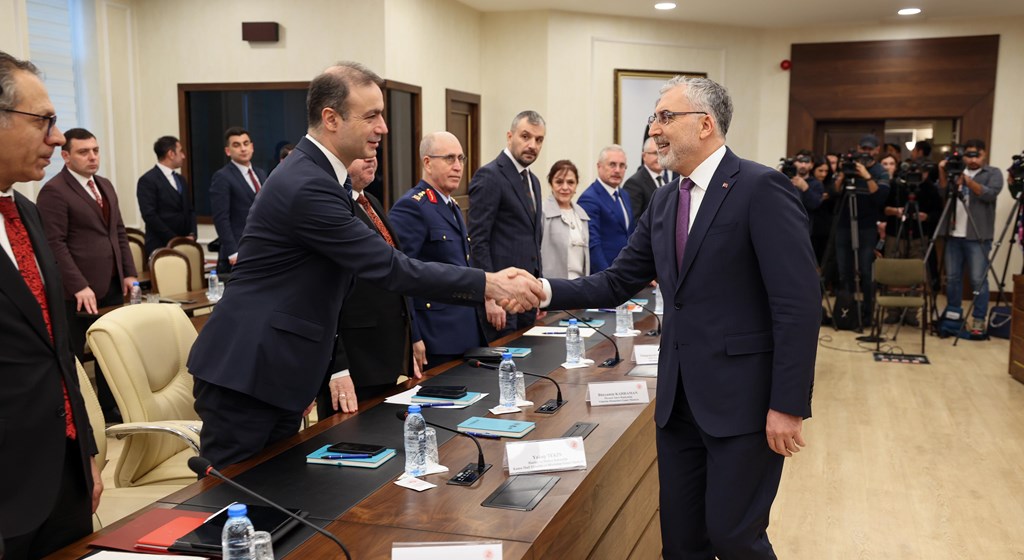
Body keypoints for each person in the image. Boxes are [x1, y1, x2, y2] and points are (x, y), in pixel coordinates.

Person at [186, 62, 541, 469]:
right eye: (371, 115)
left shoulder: (324, 178)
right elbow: (392, 268)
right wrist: (489, 284)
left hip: (276, 372)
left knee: (275, 503)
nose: (383, 128)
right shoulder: (308, 184)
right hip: (247, 372)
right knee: (232, 513)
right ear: (331, 119)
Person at [540, 76, 819, 559]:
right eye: (654, 118)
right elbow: (616, 280)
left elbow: (797, 305)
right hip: (678, 404)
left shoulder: (760, 188)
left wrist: (788, 404)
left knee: (737, 539)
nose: (654, 129)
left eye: (666, 117)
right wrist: (541, 288)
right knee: (681, 541)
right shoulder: (667, 199)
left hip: (744, 405)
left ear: (705, 124)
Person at [0, 50, 101, 560]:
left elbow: (57, 351)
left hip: (62, 477)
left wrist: (84, 451)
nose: (57, 138)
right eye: (44, 121)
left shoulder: (26, 212)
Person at [37, 127, 138, 422]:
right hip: (76, 291)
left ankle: (109, 408)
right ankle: (79, 413)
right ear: (65, 156)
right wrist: (79, 284)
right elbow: (54, 244)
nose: (92, 157)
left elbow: (118, 232)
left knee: (111, 347)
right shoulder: (54, 191)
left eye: (95, 150)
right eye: (84, 152)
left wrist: (129, 274)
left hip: (111, 282)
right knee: (75, 355)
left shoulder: (104, 184)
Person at [317, 156, 423, 418]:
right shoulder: (334, 208)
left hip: (384, 357)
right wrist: (337, 366)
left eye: (375, 154)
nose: (372, 159)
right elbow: (323, 295)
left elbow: (397, 272)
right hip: (354, 361)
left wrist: (411, 339)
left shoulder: (371, 202)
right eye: (362, 155)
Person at [389, 131, 487, 367]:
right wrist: (414, 335)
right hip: (436, 335)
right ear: (427, 163)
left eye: (461, 159)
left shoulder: (450, 205)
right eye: (449, 158)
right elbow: (400, 276)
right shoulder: (412, 207)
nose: (458, 166)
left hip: (465, 329)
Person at [468, 110, 545, 339]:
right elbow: (477, 242)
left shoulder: (534, 181)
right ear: (509, 136)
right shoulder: (489, 175)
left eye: (539, 139)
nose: (532, 145)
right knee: (505, 370)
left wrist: (537, 292)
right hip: (500, 300)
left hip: (526, 297)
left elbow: (532, 241)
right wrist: (489, 297)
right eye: (525, 136)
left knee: (531, 367)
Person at [936, 139, 1003, 335]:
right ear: (963, 156)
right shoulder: (953, 171)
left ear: (984, 154)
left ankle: (979, 319)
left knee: (977, 279)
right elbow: (941, 191)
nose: (972, 159)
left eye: (977, 155)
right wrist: (943, 170)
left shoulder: (993, 173)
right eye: (969, 155)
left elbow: (989, 194)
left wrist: (967, 181)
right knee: (953, 278)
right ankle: (953, 317)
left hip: (978, 235)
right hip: (953, 234)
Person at [832, 134, 890, 325]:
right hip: (843, 225)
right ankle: (846, 312)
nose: (865, 152)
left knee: (866, 271)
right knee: (844, 271)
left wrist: (866, 175)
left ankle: (867, 315)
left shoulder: (880, 171)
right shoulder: (848, 165)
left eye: (869, 149)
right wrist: (843, 173)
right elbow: (834, 192)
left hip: (866, 227)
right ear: (858, 147)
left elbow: (880, 197)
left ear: (876, 150)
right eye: (863, 148)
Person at [880, 152, 940, 327]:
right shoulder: (897, 185)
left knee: (916, 273)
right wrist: (895, 211)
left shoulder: (929, 188)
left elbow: (938, 213)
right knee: (893, 272)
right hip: (895, 233)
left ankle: (911, 313)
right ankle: (892, 311)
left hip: (919, 236)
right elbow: (883, 208)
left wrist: (926, 217)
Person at [210, 126, 269, 273]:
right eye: (236, 145)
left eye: (246, 143)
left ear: (252, 147)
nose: (243, 149)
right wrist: (232, 251)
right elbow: (221, 218)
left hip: (262, 248)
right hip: (237, 252)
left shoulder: (260, 173)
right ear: (228, 151)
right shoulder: (222, 177)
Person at [577, 145, 635, 273]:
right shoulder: (589, 198)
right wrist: (608, 279)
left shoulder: (624, 195)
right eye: (612, 165)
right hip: (605, 276)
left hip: (625, 274)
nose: (617, 170)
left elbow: (630, 237)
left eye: (622, 166)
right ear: (599, 166)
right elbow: (593, 246)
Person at [136, 135, 197, 254]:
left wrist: (192, 234)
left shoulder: (181, 180)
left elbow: (190, 210)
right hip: (160, 246)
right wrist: (174, 239)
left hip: (186, 245)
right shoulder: (148, 180)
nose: (183, 156)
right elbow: (150, 215)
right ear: (171, 154)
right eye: (181, 152)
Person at [540, 159, 590, 279]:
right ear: (551, 184)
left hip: (579, 285)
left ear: (576, 185)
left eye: (570, 182)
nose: (565, 187)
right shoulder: (542, 212)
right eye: (559, 182)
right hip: (551, 286)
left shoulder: (581, 214)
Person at [623, 137, 665, 223]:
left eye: (661, 152)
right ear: (644, 156)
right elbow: (634, 221)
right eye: (654, 153)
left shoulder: (667, 180)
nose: (659, 157)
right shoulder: (634, 183)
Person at [790, 150, 824, 215]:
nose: (803, 165)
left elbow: (814, 205)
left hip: (805, 220)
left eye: (806, 162)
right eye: (800, 161)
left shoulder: (817, 184)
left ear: (812, 165)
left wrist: (805, 188)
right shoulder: (787, 180)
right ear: (794, 163)